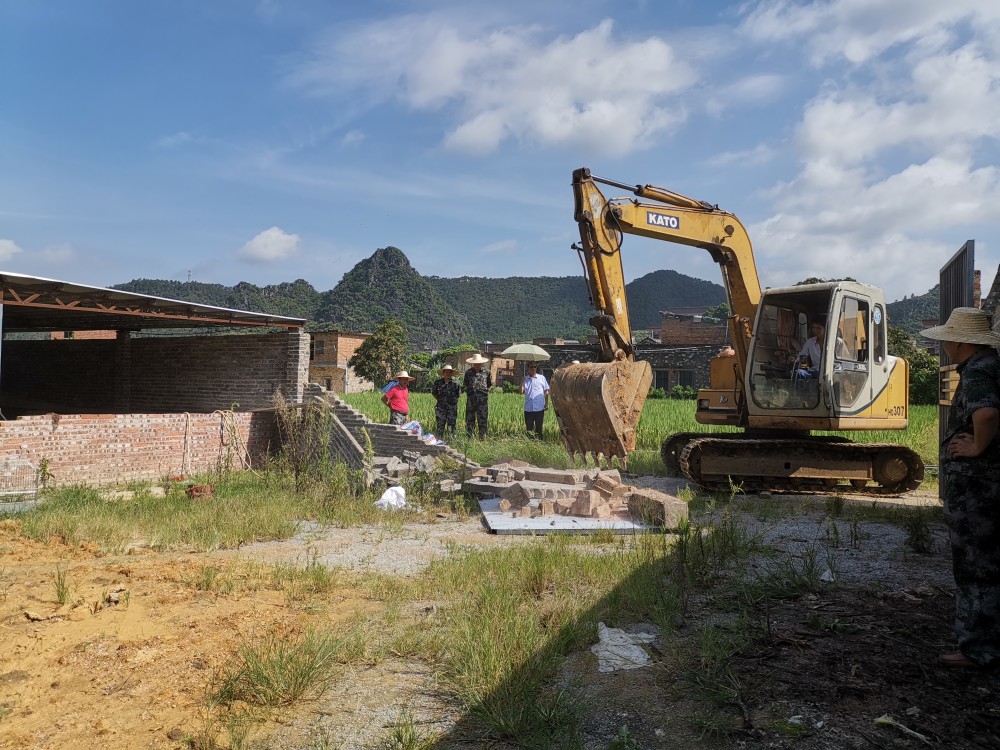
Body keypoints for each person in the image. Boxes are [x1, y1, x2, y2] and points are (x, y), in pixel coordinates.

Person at [919, 308, 1000, 669]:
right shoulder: (992, 365)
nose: (945, 346)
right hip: (988, 485)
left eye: (947, 339)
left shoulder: (978, 372)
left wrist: (976, 446)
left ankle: (979, 651)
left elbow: (986, 413)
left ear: (959, 341)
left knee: (975, 566)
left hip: (977, 487)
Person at [793, 315, 851, 379]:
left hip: (832, 373)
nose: (815, 330)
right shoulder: (810, 342)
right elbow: (801, 356)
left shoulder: (838, 342)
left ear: (826, 328)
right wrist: (794, 359)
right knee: (798, 373)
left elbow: (846, 361)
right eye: (813, 328)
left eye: (818, 328)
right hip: (814, 372)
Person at [463, 353, 492, 438]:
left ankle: (482, 439)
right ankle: (469, 438)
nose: (477, 364)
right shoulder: (468, 373)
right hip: (471, 400)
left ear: (482, 363)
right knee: (470, 419)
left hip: (482, 400)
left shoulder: (487, 372)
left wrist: (486, 392)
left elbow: (490, 384)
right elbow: (465, 384)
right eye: (475, 363)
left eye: (478, 363)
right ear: (473, 363)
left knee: (482, 419)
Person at [520, 363, 550, 439]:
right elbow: (521, 392)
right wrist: (522, 382)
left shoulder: (541, 378)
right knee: (529, 429)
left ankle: (539, 445)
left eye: (535, 367)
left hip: (539, 408)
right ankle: (530, 446)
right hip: (528, 408)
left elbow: (546, 391)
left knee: (539, 429)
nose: (533, 368)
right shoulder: (525, 379)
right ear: (528, 369)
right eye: (531, 367)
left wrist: (546, 403)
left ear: (536, 368)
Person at [431, 364, 461, 436]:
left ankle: (451, 442)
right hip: (441, 408)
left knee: (451, 427)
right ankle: (439, 442)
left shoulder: (456, 384)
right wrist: (441, 400)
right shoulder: (437, 383)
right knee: (440, 427)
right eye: (446, 372)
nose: (448, 373)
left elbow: (458, 395)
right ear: (443, 373)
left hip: (452, 409)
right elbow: (434, 393)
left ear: (451, 373)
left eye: (449, 372)